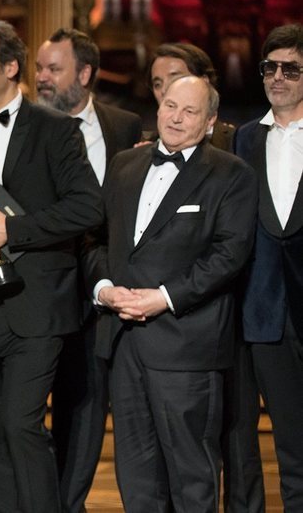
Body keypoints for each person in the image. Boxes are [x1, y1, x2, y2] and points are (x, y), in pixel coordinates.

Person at [0, 20, 102, 512]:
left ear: (11, 67)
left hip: (37, 307)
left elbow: (88, 207)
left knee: (21, 425)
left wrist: (13, 231)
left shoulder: (55, 129)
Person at [85, 75, 256, 512]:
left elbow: (229, 255)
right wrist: (104, 288)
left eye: (190, 111)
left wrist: (163, 297)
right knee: (137, 480)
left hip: (187, 347)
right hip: (123, 344)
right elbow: (96, 240)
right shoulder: (124, 165)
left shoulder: (232, 174)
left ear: (211, 120)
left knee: (192, 479)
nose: (176, 118)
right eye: (170, 106)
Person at [149, 41, 264, 513]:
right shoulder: (140, 155)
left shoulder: (235, 147)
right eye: (160, 87)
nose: (169, 98)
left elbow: (232, 244)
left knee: (231, 436)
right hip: (166, 324)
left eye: (178, 81)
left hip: (224, 311)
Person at [34, 27, 142, 513]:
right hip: (45, 289)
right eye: (39, 68)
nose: (42, 77)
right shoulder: (28, 125)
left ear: (84, 73)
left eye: (53, 69)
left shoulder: (124, 127)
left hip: (107, 294)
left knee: (90, 413)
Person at [236, 23, 303, 511]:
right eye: (270, 68)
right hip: (267, 316)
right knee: (290, 446)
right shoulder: (244, 139)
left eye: (291, 69)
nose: (277, 77)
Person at [147, 43, 236, 150]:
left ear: (204, 82)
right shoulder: (141, 145)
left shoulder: (237, 143)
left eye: (175, 79)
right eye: (157, 84)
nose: (164, 90)